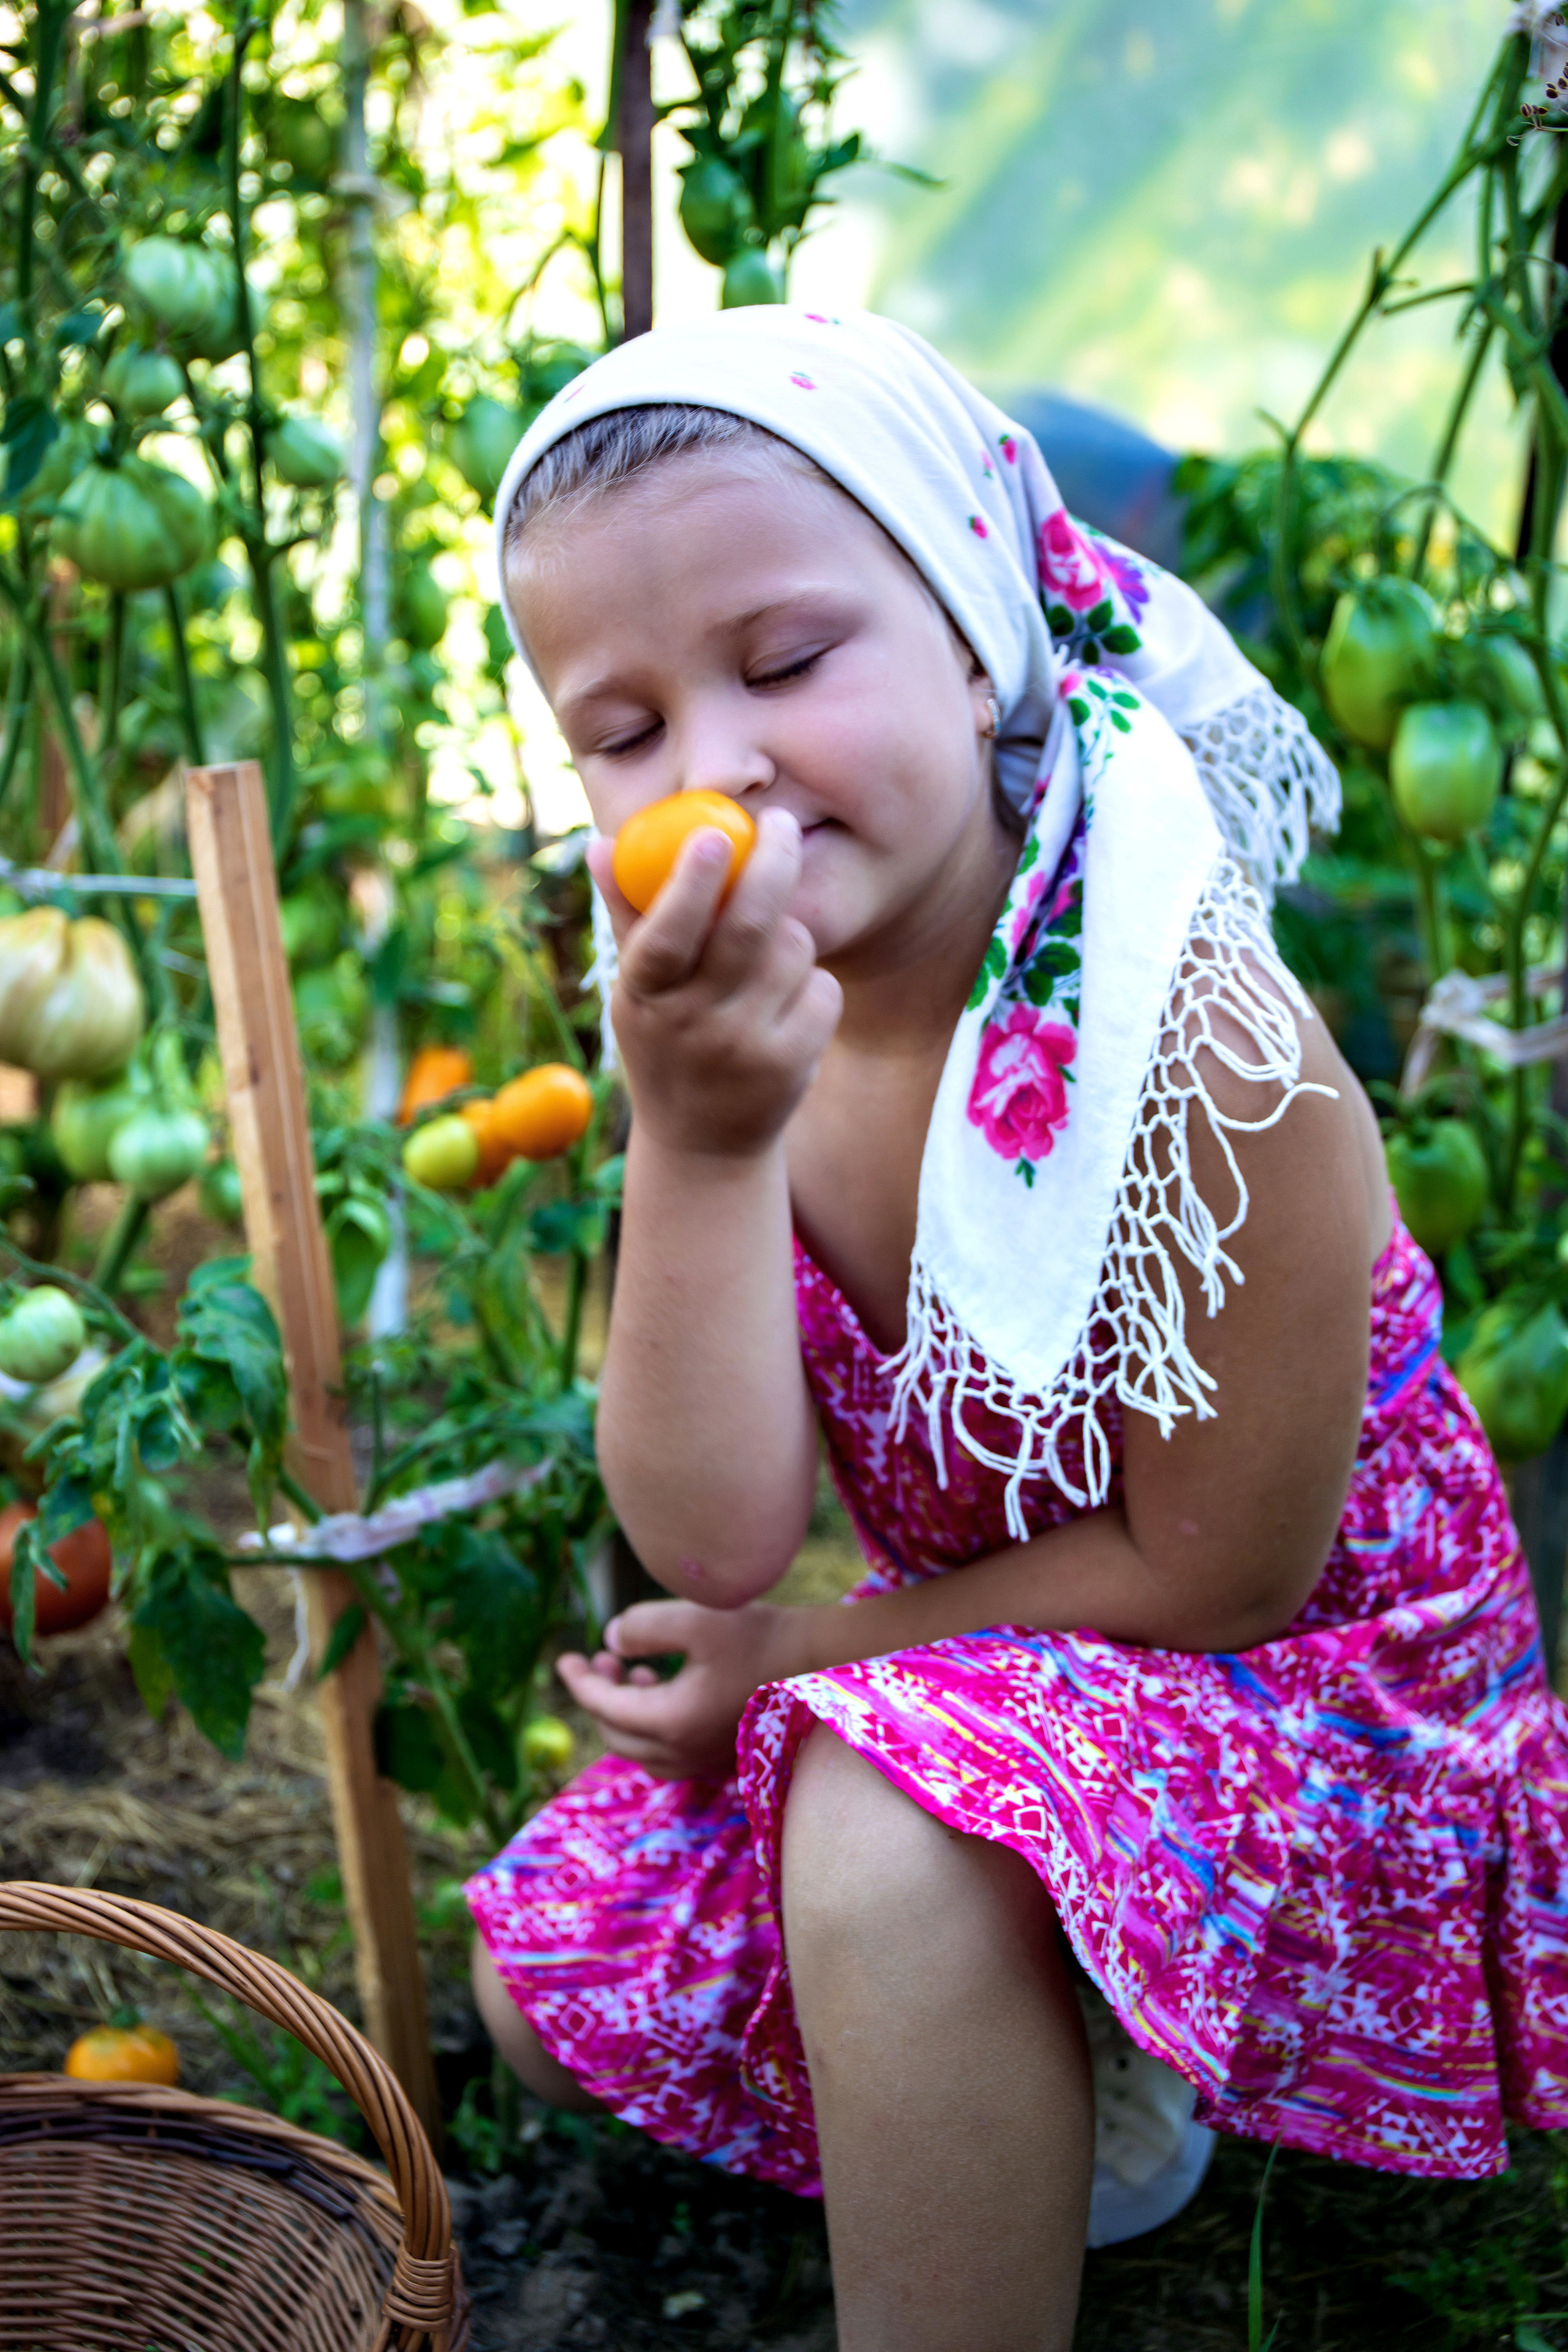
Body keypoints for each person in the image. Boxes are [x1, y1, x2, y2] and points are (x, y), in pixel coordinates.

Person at [464, 309, 1568, 2352]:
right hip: (999, 1664)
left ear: (981, 638)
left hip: (1321, 1709)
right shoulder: (745, 1024)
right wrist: (696, 1140)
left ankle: (1067, 2047)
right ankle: (1056, 2041)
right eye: (621, 731)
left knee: (878, 1822)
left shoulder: (1200, 1044)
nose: (711, 769)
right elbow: (715, 1538)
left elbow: (1223, 1578)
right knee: (548, 1988)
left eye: (787, 662)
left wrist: (806, 1661)